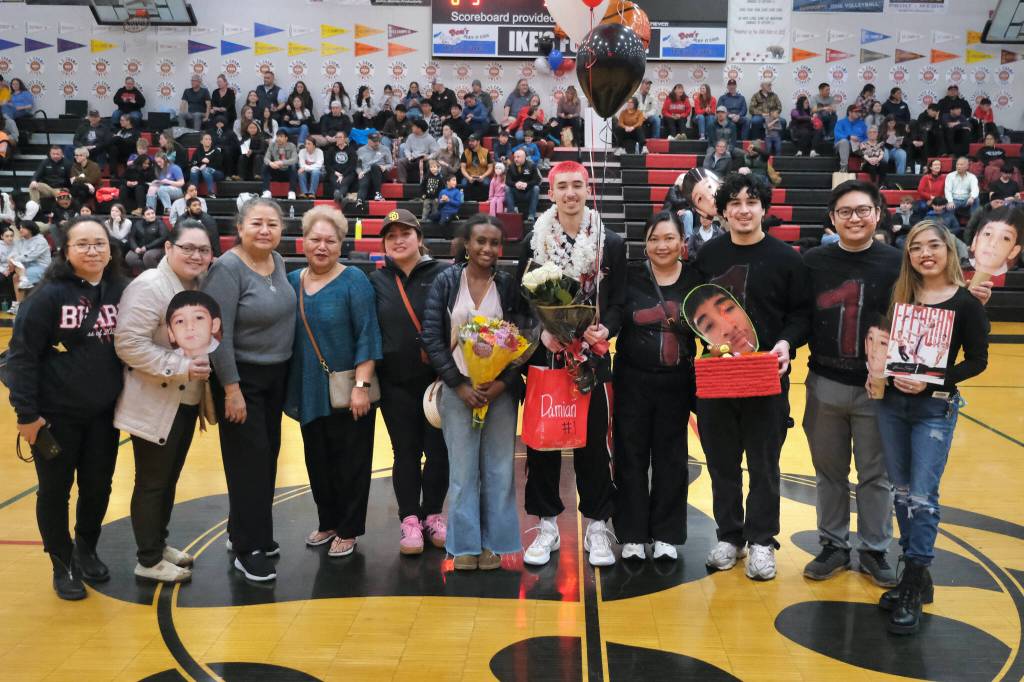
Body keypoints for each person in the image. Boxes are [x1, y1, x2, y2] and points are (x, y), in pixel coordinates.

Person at [695, 172, 811, 581]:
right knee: (721, 463)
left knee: (764, 465)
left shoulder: (786, 258)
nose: (743, 210)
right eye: (734, 204)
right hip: (717, 379)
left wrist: (786, 344)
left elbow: (801, 314)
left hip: (766, 378)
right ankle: (730, 536)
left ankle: (762, 541)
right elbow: (693, 310)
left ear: (764, 207)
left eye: (751, 202)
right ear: (723, 211)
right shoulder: (707, 257)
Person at [875, 220, 989, 635]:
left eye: (933, 245)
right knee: (901, 493)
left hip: (933, 410)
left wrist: (934, 381)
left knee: (923, 495)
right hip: (891, 404)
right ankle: (916, 576)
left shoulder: (965, 303)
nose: (925, 253)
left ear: (949, 250)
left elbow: (978, 360)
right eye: (916, 247)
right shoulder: (900, 296)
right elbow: (886, 347)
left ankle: (913, 578)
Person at [6, 216, 125, 600]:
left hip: (104, 414)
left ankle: (86, 548)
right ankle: (61, 562)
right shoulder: (48, 296)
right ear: (66, 251)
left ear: (110, 248)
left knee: (98, 486)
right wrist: (26, 415)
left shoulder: (120, 289)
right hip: (55, 416)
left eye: (100, 243)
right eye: (83, 244)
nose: (93, 250)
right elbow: (22, 357)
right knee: (55, 492)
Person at [519, 160, 627, 568]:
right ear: (551, 193)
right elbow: (520, 301)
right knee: (543, 442)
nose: (569, 193)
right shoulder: (534, 241)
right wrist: (540, 332)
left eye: (577, 186)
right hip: (547, 356)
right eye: (561, 186)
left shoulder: (609, 242)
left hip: (592, 357)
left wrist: (607, 329)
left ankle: (597, 523)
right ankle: (546, 523)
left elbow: (618, 301)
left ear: (588, 189)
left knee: (594, 443)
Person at [801, 181, 902, 587]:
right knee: (829, 471)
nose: (854, 218)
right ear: (832, 219)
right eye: (845, 212)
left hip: (879, 388)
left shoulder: (898, 263)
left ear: (878, 214)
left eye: (863, 210)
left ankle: (875, 549)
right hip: (825, 378)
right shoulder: (812, 262)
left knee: (876, 475)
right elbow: (793, 311)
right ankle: (833, 545)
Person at [422, 214, 526, 570]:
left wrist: (502, 384)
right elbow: (432, 339)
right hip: (457, 392)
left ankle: (494, 545)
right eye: (480, 241)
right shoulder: (446, 282)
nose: (487, 248)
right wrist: (459, 384)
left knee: (499, 471)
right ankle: (464, 545)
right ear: (466, 243)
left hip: (499, 395)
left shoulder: (509, 285)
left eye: (494, 243)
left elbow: (521, 343)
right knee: (463, 471)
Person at [114, 220, 215, 583]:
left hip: (183, 399)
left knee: (168, 478)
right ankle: (148, 558)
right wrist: (181, 366)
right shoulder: (149, 287)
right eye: (187, 247)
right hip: (154, 400)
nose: (195, 255)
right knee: (152, 481)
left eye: (203, 250)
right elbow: (128, 344)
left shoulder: (194, 285)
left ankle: (158, 544)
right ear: (168, 248)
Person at [203, 198, 296, 581]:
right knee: (249, 464)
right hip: (242, 379)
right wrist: (231, 388)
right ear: (239, 228)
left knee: (265, 457)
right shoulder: (226, 269)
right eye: (257, 223)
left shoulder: (279, 262)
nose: (265, 230)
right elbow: (217, 336)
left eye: (272, 224)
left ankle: (245, 530)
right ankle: (248, 548)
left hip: (274, 377)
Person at [286, 205, 382, 558]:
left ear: (341, 244)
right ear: (303, 242)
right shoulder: (292, 280)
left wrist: (362, 387)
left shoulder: (354, 280)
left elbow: (367, 335)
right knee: (318, 460)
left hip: (349, 389)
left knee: (352, 462)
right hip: (309, 389)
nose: (322, 246)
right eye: (315, 239)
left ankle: (349, 528)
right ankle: (327, 521)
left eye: (330, 240)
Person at [614, 211, 701, 561]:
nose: (661, 245)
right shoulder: (630, 277)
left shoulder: (697, 280)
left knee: (672, 459)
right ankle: (632, 534)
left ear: (682, 243)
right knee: (630, 456)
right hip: (632, 379)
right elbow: (611, 317)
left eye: (669, 238)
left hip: (677, 382)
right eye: (654, 239)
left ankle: (666, 535)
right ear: (645, 245)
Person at [369, 210, 451, 553]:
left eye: (406, 233)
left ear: (419, 238)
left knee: (438, 452)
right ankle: (410, 521)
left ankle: (433, 514)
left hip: (437, 383)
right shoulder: (376, 280)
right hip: (395, 384)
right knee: (404, 453)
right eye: (391, 236)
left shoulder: (445, 273)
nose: (399, 240)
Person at [7, 220, 51, 312]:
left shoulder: (40, 240)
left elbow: (29, 256)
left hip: (41, 266)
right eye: (20, 228)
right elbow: (14, 253)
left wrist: (13, 260)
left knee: (19, 276)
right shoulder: (21, 241)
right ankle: (19, 304)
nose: (20, 230)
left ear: (31, 228)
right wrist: (10, 260)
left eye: (23, 227)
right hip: (25, 266)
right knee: (15, 277)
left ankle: (20, 305)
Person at [26, 146, 72, 216]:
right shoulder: (45, 162)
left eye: (57, 154)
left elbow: (70, 178)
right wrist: (34, 180)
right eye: (53, 154)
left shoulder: (67, 163)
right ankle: (36, 209)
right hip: (46, 188)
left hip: (60, 188)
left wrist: (68, 189)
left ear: (62, 154)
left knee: (60, 193)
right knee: (33, 186)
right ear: (50, 154)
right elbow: (37, 173)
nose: (55, 156)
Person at [355, 132, 393, 206]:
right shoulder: (361, 150)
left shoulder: (385, 149)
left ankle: (378, 193)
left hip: (380, 172)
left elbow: (391, 164)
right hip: (366, 172)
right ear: (368, 141)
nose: (377, 143)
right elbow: (358, 166)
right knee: (364, 180)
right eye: (374, 141)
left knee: (374, 166)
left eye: (378, 141)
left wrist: (385, 167)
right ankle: (360, 200)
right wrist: (359, 172)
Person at [261, 129, 299, 201]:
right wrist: (271, 163)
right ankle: (266, 191)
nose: (278, 138)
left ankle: (292, 192)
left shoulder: (292, 146)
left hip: (287, 172)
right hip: (276, 171)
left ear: (286, 138)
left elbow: (295, 159)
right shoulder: (272, 145)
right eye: (277, 136)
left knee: (293, 166)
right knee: (265, 165)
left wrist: (282, 162)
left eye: (281, 136)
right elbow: (266, 158)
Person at [126, 206, 168, 272]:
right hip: (140, 248)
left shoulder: (160, 223)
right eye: (148, 214)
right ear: (144, 216)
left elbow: (163, 238)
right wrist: (135, 248)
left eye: (153, 213)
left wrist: (147, 247)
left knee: (148, 256)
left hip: (157, 248)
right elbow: (131, 237)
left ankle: (157, 273)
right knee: (129, 257)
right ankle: (147, 271)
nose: (151, 215)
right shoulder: (138, 224)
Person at [504, 148, 541, 223]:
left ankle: (531, 214)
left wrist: (527, 184)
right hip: (516, 193)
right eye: (514, 157)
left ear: (524, 157)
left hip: (528, 192)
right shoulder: (511, 166)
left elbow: (537, 180)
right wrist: (515, 184)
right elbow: (507, 181)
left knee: (536, 188)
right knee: (507, 188)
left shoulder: (532, 165)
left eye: (518, 157)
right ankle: (511, 213)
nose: (516, 159)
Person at [396, 119, 437, 184]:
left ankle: (428, 183)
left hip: (424, 160)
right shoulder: (410, 137)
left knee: (430, 163)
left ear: (419, 129)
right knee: (401, 162)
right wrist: (409, 156)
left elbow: (435, 152)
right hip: (412, 158)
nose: (412, 127)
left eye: (414, 126)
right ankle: (403, 183)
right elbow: (407, 149)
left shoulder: (430, 138)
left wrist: (428, 157)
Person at [325, 130, 358, 204]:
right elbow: (327, 164)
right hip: (334, 173)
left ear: (345, 139)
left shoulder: (351, 150)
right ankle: (341, 197)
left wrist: (343, 175)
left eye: (340, 137)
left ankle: (338, 195)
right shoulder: (331, 149)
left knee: (344, 182)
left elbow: (353, 165)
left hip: (348, 173)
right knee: (337, 182)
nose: (338, 139)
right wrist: (336, 173)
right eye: (337, 137)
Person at [188, 132, 224, 199]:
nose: (208, 141)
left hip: (216, 173)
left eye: (209, 139)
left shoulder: (216, 151)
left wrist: (207, 165)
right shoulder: (198, 151)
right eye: (206, 139)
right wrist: (200, 163)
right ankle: (193, 193)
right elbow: (192, 162)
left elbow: (219, 164)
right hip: (201, 173)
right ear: (201, 141)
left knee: (206, 169)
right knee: (193, 169)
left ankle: (210, 192)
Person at [460, 134, 493, 200]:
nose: (470, 143)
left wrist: (483, 176)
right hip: (469, 175)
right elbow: (462, 168)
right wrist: (468, 177)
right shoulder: (465, 152)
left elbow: (490, 167)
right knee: (463, 183)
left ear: (478, 142)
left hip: (482, 175)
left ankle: (484, 200)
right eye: (469, 141)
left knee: (486, 183)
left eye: (472, 141)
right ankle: (467, 201)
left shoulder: (486, 152)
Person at [834, 105, 867, 173]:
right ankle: (844, 168)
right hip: (843, 145)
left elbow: (866, 137)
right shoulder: (841, 122)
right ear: (850, 112)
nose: (858, 113)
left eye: (859, 112)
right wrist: (849, 137)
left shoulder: (862, 123)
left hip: (857, 146)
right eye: (856, 112)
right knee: (844, 142)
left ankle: (866, 168)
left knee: (869, 146)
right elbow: (837, 134)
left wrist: (863, 142)